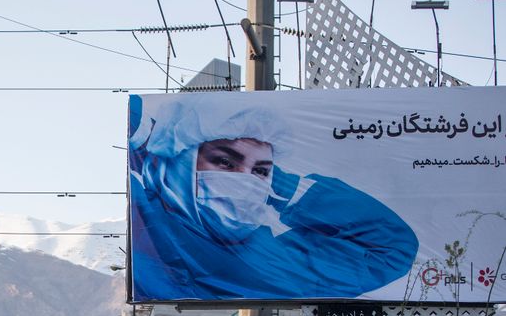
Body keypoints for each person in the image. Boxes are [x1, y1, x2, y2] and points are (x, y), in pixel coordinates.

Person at [128, 94, 419, 301]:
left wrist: (279, 185)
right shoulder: (145, 221)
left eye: (261, 171)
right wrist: (149, 140)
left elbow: (389, 249)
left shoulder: (266, 262)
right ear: (178, 161)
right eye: (225, 162)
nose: (244, 182)